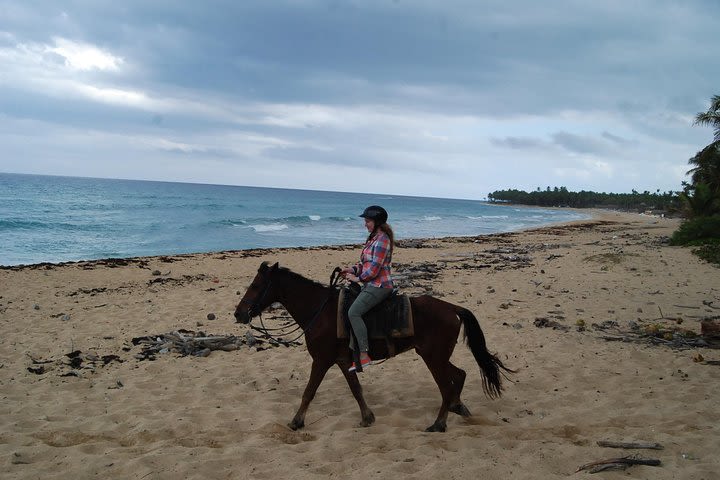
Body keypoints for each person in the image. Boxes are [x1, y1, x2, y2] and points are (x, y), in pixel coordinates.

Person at [341, 205, 395, 372]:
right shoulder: (372, 238)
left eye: (368, 221)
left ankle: (364, 355)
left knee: (354, 312)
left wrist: (357, 278)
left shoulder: (383, 240)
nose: (365, 224)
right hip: (370, 283)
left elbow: (374, 269)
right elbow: (365, 264)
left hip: (380, 285)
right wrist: (351, 270)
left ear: (377, 222)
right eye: (365, 221)